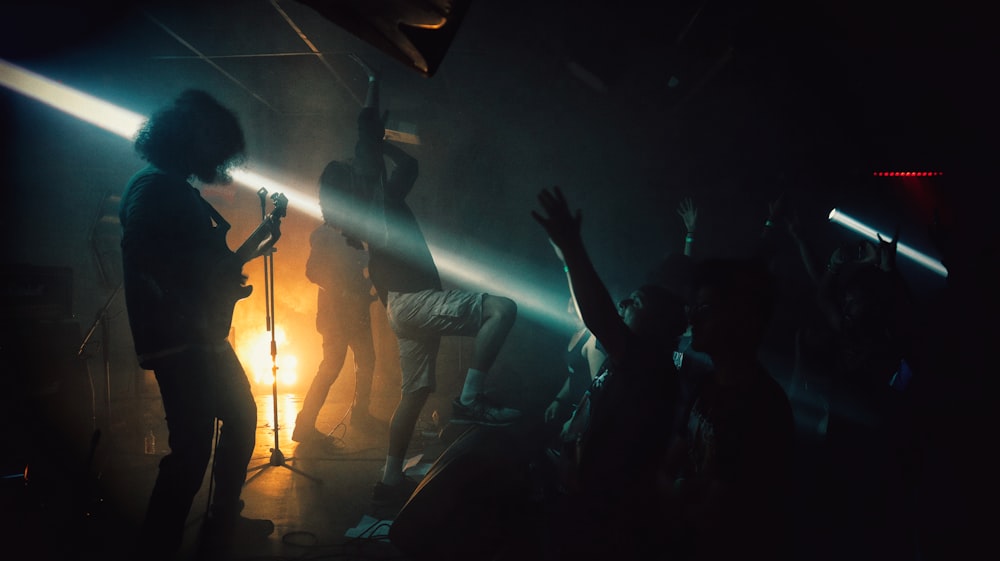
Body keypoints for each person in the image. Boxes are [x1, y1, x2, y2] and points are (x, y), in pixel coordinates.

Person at [335, 54, 522, 509]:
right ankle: (470, 399)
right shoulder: (374, 205)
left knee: (414, 393)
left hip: (405, 310)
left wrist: (385, 146)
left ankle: (389, 478)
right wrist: (374, 84)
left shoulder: (385, 204)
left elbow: (409, 166)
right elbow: (366, 132)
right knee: (503, 308)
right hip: (416, 303)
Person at [119, 89, 274, 559]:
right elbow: (146, 256)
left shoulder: (171, 187)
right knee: (190, 450)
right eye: (210, 143)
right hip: (182, 341)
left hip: (195, 337)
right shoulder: (154, 189)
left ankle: (221, 522)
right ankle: (161, 544)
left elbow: (201, 268)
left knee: (238, 419)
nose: (216, 155)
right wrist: (190, 300)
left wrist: (242, 260)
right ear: (188, 140)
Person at [532, 186, 689, 560]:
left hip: (607, 512)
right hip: (595, 500)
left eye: (634, 303)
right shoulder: (640, 363)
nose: (624, 305)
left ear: (654, 323)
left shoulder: (647, 363)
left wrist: (571, 248)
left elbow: (598, 312)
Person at [659, 257, 795, 561]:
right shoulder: (707, 384)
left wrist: (674, 492)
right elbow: (669, 465)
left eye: (705, 309)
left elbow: (715, 514)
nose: (692, 318)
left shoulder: (762, 408)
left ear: (742, 317)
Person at [291, 160, 382, 453]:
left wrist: (363, 287)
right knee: (331, 367)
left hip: (354, 310)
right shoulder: (325, 234)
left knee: (366, 360)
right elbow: (313, 272)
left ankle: (360, 414)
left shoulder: (349, 232)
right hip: (336, 313)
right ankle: (304, 425)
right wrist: (346, 290)